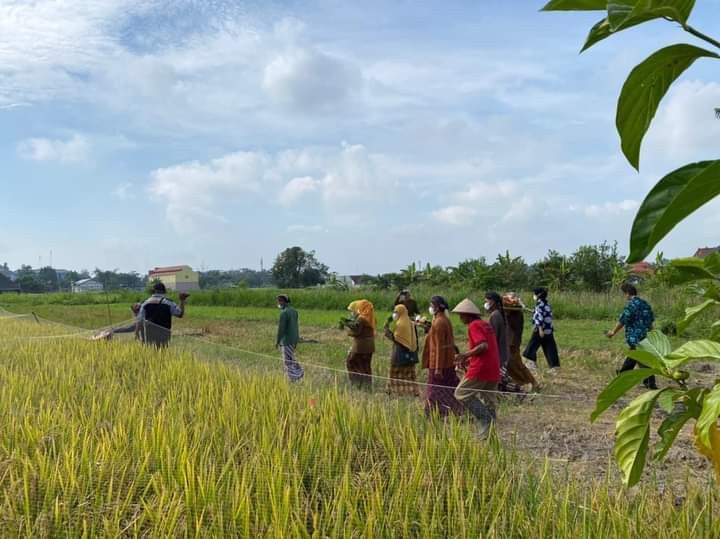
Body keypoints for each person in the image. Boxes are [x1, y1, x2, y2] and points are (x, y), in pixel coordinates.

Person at [452, 298, 501, 437]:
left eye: (461, 315)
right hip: (493, 367)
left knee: (461, 393)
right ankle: (489, 434)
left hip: (481, 368)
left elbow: (483, 346)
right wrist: (468, 358)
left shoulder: (473, 325)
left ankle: (485, 419)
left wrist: (464, 355)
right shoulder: (485, 324)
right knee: (489, 399)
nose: (460, 318)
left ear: (468, 314)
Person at [606, 283, 658, 389]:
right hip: (644, 335)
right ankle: (623, 374)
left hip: (634, 336)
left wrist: (613, 332)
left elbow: (622, 321)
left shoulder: (630, 305)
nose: (624, 297)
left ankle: (650, 382)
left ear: (627, 293)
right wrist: (654, 334)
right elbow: (650, 322)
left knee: (642, 359)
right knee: (633, 355)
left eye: (624, 294)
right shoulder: (645, 304)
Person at [421, 295, 463, 417]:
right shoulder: (444, 320)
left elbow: (439, 346)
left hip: (439, 363)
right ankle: (454, 410)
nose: (430, 308)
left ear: (437, 307)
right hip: (447, 361)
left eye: (432, 305)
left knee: (434, 390)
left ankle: (432, 413)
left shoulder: (439, 322)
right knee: (450, 387)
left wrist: (438, 368)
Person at [502, 292, 540, 392]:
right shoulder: (510, 314)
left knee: (516, 363)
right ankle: (522, 382)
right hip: (509, 341)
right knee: (510, 364)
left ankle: (532, 382)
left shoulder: (516, 315)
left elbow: (514, 329)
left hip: (513, 342)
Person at [136, 282, 188, 348]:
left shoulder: (145, 302)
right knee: (162, 354)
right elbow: (180, 314)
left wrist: (137, 332)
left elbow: (140, 319)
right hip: (164, 333)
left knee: (148, 354)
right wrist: (182, 300)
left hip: (148, 333)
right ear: (164, 291)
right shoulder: (169, 303)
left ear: (153, 291)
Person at [384, 304, 420, 397]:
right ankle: (413, 391)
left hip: (399, 353)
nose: (394, 314)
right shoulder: (410, 322)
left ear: (400, 312)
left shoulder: (400, 324)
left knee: (395, 373)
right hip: (410, 354)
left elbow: (397, 339)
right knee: (409, 374)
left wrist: (386, 330)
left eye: (396, 312)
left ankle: (395, 392)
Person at [523, 287, 560, 373]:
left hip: (540, 329)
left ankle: (532, 363)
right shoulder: (546, 304)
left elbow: (539, 317)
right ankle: (554, 367)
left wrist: (540, 329)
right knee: (550, 347)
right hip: (548, 329)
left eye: (534, 294)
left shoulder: (539, 305)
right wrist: (528, 309)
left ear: (538, 295)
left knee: (531, 346)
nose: (534, 296)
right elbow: (539, 313)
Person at [344, 300, 376, 389]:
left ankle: (357, 384)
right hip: (370, 346)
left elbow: (356, 331)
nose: (351, 312)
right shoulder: (370, 317)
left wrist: (347, 327)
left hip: (360, 346)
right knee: (365, 366)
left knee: (352, 362)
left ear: (359, 308)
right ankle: (367, 385)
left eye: (352, 310)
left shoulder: (361, 319)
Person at [276, 294, 304, 382]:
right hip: (294, 339)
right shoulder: (294, 311)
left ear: (284, 302)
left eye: (280, 301)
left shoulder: (284, 313)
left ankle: (293, 377)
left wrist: (277, 341)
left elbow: (281, 329)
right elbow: (296, 326)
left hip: (286, 340)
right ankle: (298, 373)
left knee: (287, 361)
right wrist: (297, 338)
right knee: (291, 358)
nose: (278, 303)